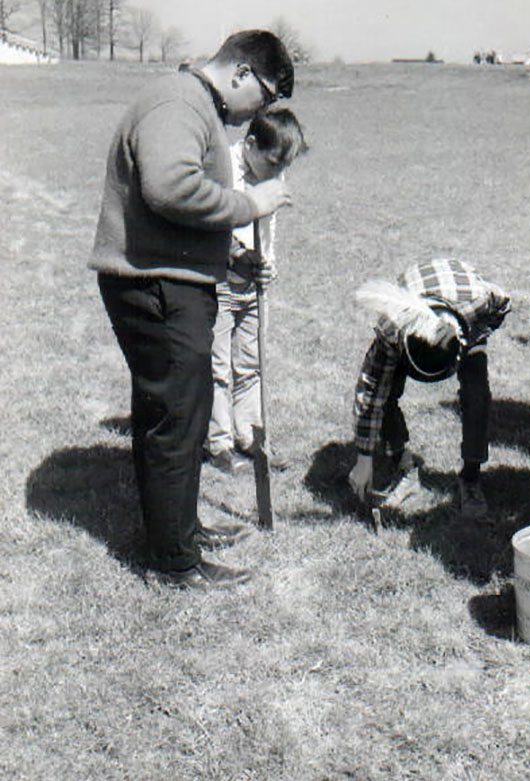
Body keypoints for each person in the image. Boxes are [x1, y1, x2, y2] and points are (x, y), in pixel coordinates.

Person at [90, 30, 295, 589]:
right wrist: (248, 204)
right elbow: (169, 187)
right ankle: (175, 562)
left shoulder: (192, 102)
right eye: (269, 95)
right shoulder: (179, 103)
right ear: (242, 74)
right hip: (155, 287)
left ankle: (180, 531)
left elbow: (174, 214)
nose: (265, 111)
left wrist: (229, 259)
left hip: (168, 278)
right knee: (176, 419)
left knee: (179, 413)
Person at [348, 259, 511, 523]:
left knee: (477, 395)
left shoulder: (481, 299)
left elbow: (504, 304)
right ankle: (402, 462)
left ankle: (471, 477)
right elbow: (370, 392)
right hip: (418, 302)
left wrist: (474, 335)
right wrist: (364, 458)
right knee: (385, 392)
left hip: (463, 315)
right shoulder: (392, 330)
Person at [204, 108, 307, 474]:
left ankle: (248, 434)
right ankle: (219, 443)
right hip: (218, 284)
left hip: (251, 288)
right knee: (217, 367)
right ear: (249, 145)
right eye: (274, 163)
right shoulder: (222, 167)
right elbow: (212, 222)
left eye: (286, 167)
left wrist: (269, 264)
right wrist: (238, 256)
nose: (279, 174)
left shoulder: (271, 176)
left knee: (250, 362)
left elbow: (267, 229)